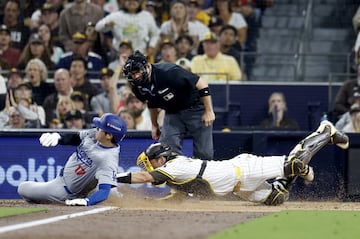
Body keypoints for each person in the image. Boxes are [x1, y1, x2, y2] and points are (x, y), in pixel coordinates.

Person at [117, 120, 349, 205]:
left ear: (161, 159)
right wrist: (152, 203)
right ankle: (300, 167)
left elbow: (145, 177)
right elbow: (178, 197)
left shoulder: (173, 166)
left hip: (243, 170)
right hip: (240, 187)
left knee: (294, 164)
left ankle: (324, 131)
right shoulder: (175, 175)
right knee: (277, 198)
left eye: (151, 162)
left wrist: (113, 177)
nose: (148, 166)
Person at [18, 113, 127, 206]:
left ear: (109, 135)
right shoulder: (96, 134)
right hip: (63, 180)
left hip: (64, 191)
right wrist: (58, 137)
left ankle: (55, 202)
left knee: (22, 188)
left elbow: (104, 191)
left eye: (100, 127)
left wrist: (86, 202)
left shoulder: (107, 158)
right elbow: (76, 137)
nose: (96, 128)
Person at [122, 50, 215, 160]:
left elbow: (201, 83)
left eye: (137, 71)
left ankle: (201, 176)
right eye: (132, 73)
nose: (136, 76)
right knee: (166, 151)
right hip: (172, 112)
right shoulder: (137, 86)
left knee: (204, 154)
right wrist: (154, 125)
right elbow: (151, 102)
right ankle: (173, 176)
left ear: (147, 66)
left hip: (195, 108)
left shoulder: (168, 72)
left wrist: (209, 111)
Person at [95, 0, 159, 61]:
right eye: (129, 0)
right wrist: (107, 25)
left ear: (139, 2)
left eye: (134, 0)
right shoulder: (116, 15)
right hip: (119, 56)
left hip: (140, 55)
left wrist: (152, 46)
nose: (131, 2)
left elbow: (155, 34)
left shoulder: (146, 16)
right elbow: (97, 27)